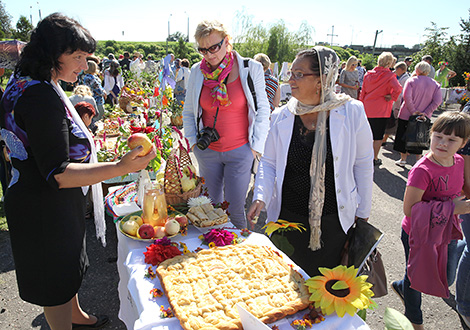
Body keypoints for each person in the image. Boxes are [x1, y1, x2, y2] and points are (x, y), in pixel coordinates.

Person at [0, 13, 156, 330]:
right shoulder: (41, 95)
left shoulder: (26, 82)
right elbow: (58, 173)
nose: (84, 65)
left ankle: (76, 315)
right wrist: (119, 167)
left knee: (67, 265)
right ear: (52, 54)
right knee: (54, 278)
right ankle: (63, 323)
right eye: (78, 56)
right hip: (45, 206)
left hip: (36, 199)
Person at [246, 46, 374, 276]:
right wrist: (261, 196)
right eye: (291, 73)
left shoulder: (351, 112)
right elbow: (268, 162)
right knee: (286, 283)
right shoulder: (282, 116)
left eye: (299, 74)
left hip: (333, 221)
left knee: (324, 288)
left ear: (321, 80)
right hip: (288, 219)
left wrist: (363, 212)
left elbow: (363, 163)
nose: (290, 80)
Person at [182, 20, 270, 229]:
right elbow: (188, 112)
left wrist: (256, 147)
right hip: (207, 151)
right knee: (209, 210)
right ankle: (214, 253)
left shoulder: (250, 68)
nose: (209, 55)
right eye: (203, 50)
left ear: (227, 41)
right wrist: (194, 143)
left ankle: (239, 256)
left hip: (240, 151)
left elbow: (263, 110)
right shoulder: (197, 72)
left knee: (235, 210)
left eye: (214, 47)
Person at [391, 111, 470, 330]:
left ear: (463, 143)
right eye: (439, 136)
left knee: (446, 275)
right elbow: (410, 210)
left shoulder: (459, 161)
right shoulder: (422, 170)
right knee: (415, 278)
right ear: (430, 134)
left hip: (447, 230)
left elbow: (460, 188)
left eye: (452, 139)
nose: (443, 143)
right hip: (418, 233)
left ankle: (401, 286)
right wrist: (452, 207)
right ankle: (415, 320)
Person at [393, 61, 442, 166]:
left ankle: (403, 159)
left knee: (403, 136)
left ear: (417, 70)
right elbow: (437, 101)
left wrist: (413, 111)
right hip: (424, 117)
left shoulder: (411, 81)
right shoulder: (435, 84)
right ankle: (418, 160)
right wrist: (426, 112)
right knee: (420, 138)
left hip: (406, 114)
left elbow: (407, 97)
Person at [360, 51, 402, 166]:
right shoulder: (389, 75)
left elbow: (363, 92)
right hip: (381, 109)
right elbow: (398, 89)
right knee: (377, 136)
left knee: (365, 134)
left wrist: (361, 105)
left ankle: (363, 157)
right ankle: (374, 158)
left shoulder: (368, 74)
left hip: (367, 107)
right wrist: (392, 97)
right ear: (389, 63)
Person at [383, 61, 411, 145]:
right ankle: (385, 139)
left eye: (396, 69)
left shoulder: (406, 79)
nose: (395, 71)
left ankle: (387, 139)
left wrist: (392, 96)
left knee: (394, 123)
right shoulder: (400, 77)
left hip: (399, 103)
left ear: (400, 69)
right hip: (395, 103)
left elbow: (402, 93)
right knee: (392, 123)